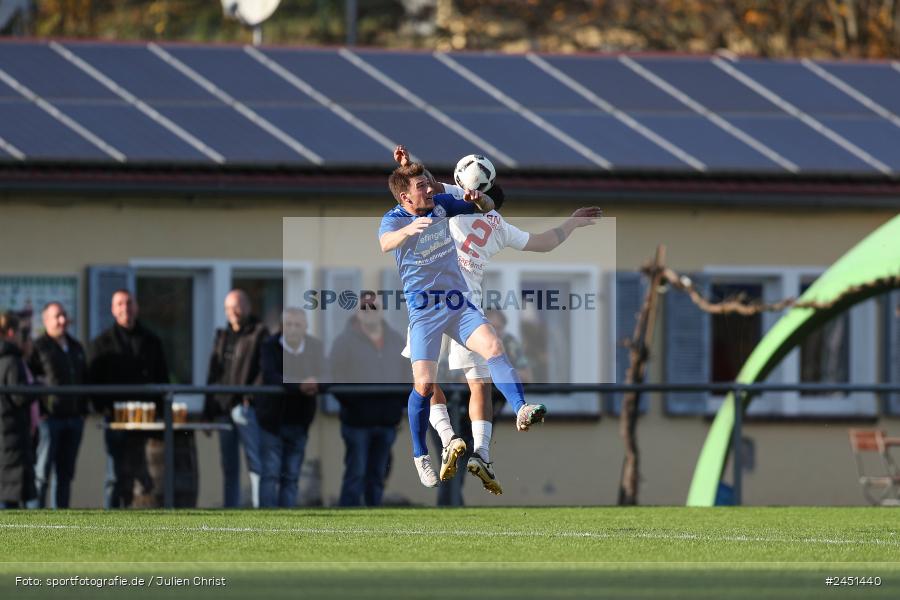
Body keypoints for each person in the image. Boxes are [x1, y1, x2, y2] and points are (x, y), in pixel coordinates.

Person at [393, 145, 602, 495]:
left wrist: (407, 162)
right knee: (480, 382)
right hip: (465, 305)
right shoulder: (497, 224)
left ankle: (446, 438)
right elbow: (544, 242)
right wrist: (572, 223)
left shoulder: (451, 200)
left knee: (426, 382)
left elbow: (422, 186)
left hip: (433, 303)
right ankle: (484, 453)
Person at [378, 161, 546, 489]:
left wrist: (479, 200)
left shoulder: (440, 206)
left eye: (429, 184)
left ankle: (521, 408)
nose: (431, 189)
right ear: (404, 197)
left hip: (458, 305)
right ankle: (420, 455)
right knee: (425, 386)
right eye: (422, 187)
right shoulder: (393, 219)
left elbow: (484, 206)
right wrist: (405, 232)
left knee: (494, 346)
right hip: (425, 312)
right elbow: (385, 243)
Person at [88, 289, 170, 508]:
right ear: (113, 310)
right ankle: (111, 517)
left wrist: (160, 411)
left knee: (147, 476)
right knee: (115, 474)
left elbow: (163, 378)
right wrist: (105, 409)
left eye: (129, 303)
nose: (126, 308)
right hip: (116, 417)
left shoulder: (151, 341)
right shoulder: (102, 343)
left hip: (147, 418)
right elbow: (94, 382)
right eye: (120, 304)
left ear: (137, 307)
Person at [329, 295, 409, 507]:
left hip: (387, 422)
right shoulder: (343, 342)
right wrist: (356, 405)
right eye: (364, 307)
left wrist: (397, 407)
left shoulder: (396, 340)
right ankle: (346, 522)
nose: (369, 310)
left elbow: (407, 377)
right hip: (356, 422)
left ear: (382, 311)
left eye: (374, 307)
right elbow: (335, 378)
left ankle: (373, 518)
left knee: (378, 474)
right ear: (357, 311)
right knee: (356, 473)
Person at [204, 289, 267, 508]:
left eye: (236, 306)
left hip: (245, 408)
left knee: (255, 462)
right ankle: (231, 510)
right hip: (223, 409)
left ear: (248, 307)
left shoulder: (258, 334)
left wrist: (251, 396)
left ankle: (262, 508)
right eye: (228, 308)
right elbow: (213, 374)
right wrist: (208, 410)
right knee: (229, 466)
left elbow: (263, 370)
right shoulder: (222, 336)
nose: (233, 312)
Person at [257, 307, 322, 508]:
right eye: (289, 324)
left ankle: (288, 519)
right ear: (282, 327)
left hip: (300, 420)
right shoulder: (269, 346)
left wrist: (316, 382)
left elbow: (328, 374)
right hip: (272, 421)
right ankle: (267, 520)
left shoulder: (315, 347)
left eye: (297, 324)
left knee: (292, 476)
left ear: (306, 327)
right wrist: (299, 385)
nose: (293, 329)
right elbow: (270, 376)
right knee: (270, 474)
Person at [28, 302, 88, 509]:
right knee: (42, 473)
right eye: (57, 316)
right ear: (46, 321)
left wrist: (82, 412)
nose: (62, 320)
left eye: (64, 315)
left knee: (65, 474)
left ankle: (61, 520)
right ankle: (34, 520)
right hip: (49, 420)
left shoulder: (76, 347)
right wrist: (41, 413)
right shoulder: (38, 348)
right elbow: (30, 381)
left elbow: (84, 379)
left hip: (74, 419)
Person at [0, 312, 36, 509]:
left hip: (5, 436)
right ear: (12, 333)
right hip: (11, 437)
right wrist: (38, 387)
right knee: (10, 501)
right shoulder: (12, 360)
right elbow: (19, 397)